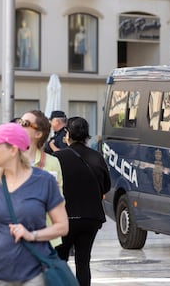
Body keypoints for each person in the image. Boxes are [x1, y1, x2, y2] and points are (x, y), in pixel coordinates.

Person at [0, 123, 68, 285]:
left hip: (33, 273)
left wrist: (32, 235)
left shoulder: (44, 180)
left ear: (13, 150)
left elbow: (62, 226)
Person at [54, 117, 111, 286]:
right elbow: (106, 186)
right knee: (83, 261)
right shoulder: (97, 156)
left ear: (68, 134)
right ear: (87, 135)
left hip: (65, 217)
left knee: (60, 260)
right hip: (91, 217)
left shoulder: (57, 157)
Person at [17, 110, 64, 247]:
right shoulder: (9, 158)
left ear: (38, 134)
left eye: (25, 123)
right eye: (20, 122)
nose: (20, 125)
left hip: (45, 239)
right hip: (12, 239)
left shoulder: (52, 163)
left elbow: (60, 202)